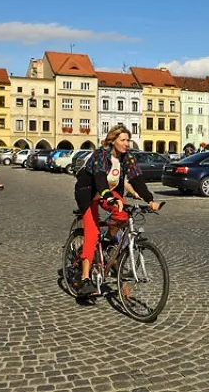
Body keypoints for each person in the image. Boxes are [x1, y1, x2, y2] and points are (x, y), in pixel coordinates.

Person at [74, 125, 161, 297]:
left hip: (108, 192)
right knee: (91, 233)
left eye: (128, 140)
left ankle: (106, 241)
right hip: (89, 191)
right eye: (123, 140)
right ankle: (84, 279)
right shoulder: (101, 154)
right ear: (113, 140)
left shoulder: (127, 157)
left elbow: (136, 179)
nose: (127, 143)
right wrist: (107, 195)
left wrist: (149, 199)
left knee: (124, 213)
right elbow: (99, 177)